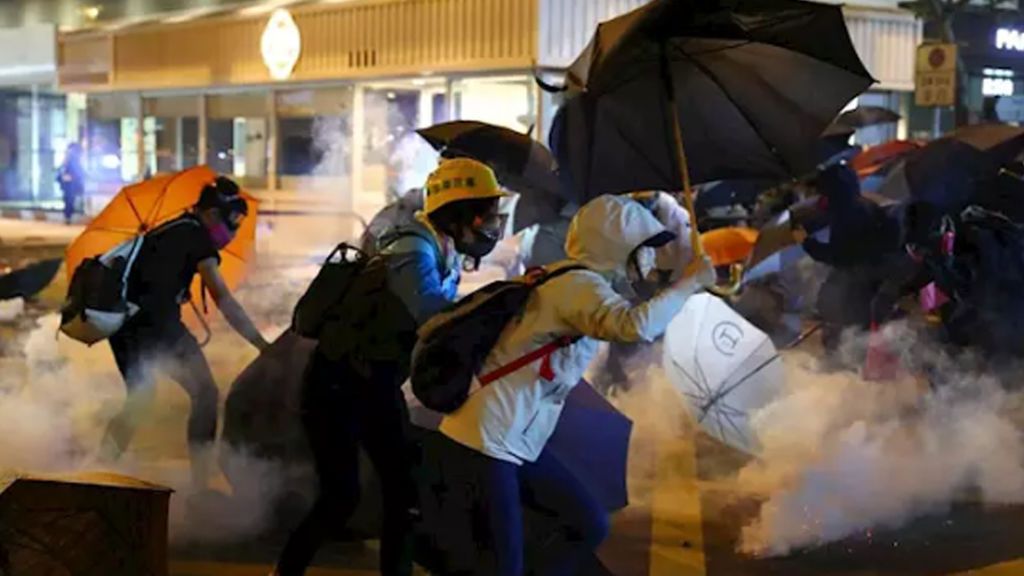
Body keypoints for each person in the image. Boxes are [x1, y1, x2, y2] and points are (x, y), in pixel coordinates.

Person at [439, 194, 715, 576]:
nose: (651, 260)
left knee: (588, 522)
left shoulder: (579, 282)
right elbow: (633, 326)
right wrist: (689, 283)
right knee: (507, 564)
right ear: (616, 246)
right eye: (644, 249)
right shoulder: (578, 285)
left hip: (512, 440)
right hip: (486, 440)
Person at [273, 158, 507, 576]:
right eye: (483, 213)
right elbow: (433, 318)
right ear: (455, 212)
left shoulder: (442, 248)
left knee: (403, 495)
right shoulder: (412, 249)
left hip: (373, 384)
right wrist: (499, 306)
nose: (491, 224)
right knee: (344, 496)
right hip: (338, 385)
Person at [100, 176, 268, 488]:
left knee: (141, 397)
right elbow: (223, 299)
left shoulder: (170, 230)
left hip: (123, 327)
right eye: (232, 222)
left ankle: (98, 467)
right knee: (206, 394)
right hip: (158, 328)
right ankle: (201, 486)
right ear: (212, 214)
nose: (232, 233)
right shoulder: (197, 238)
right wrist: (260, 343)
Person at [57, 143, 85, 225]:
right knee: (69, 200)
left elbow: (78, 172)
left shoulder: (72, 159)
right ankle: (68, 217)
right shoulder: (68, 160)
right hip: (69, 184)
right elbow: (61, 171)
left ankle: (68, 217)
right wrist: (63, 176)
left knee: (70, 200)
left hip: (71, 184)